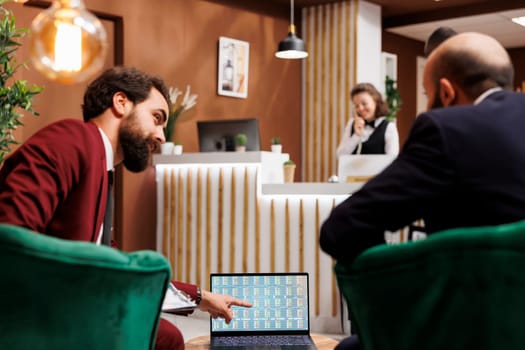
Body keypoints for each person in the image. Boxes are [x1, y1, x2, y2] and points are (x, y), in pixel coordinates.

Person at [0, 66, 252, 350]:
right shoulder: (71, 138)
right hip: (37, 315)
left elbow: (120, 271)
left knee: (165, 335)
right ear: (121, 103)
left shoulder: (102, 169)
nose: (161, 137)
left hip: (70, 308)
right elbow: (10, 237)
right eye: (157, 119)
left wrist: (200, 297)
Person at [321, 32, 525, 349]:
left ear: (446, 92)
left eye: (426, 93)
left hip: (477, 324)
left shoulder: (445, 128)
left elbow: (342, 228)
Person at [336, 82, 399, 159]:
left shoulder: (389, 127)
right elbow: (340, 156)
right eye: (356, 105)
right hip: (354, 171)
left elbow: (392, 160)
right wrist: (356, 136)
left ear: (375, 102)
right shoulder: (352, 123)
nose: (360, 109)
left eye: (364, 103)